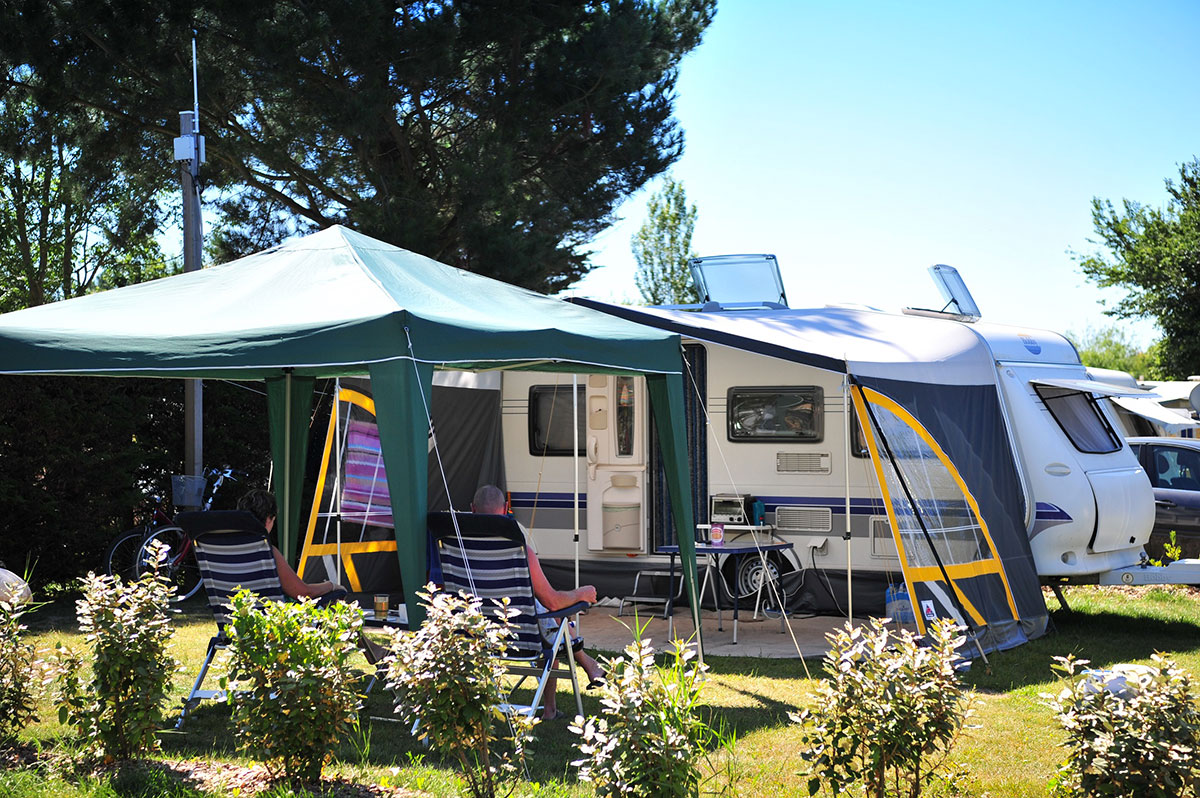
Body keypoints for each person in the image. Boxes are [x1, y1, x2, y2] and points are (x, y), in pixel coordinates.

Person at [471, 484, 606, 720]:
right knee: (557, 618)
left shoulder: (457, 549)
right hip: (524, 638)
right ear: (505, 510)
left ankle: (580, 676)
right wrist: (580, 594)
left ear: (472, 510)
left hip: (477, 635)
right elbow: (553, 600)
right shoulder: (520, 552)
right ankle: (586, 668)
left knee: (550, 617)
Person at [237, 489, 345, 601]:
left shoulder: (222, 549)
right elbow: (303, 592)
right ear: (269, 519)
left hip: (229, 614)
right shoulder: (264, 550)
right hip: (261, 616)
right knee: (337, 594)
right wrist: (331, 585)